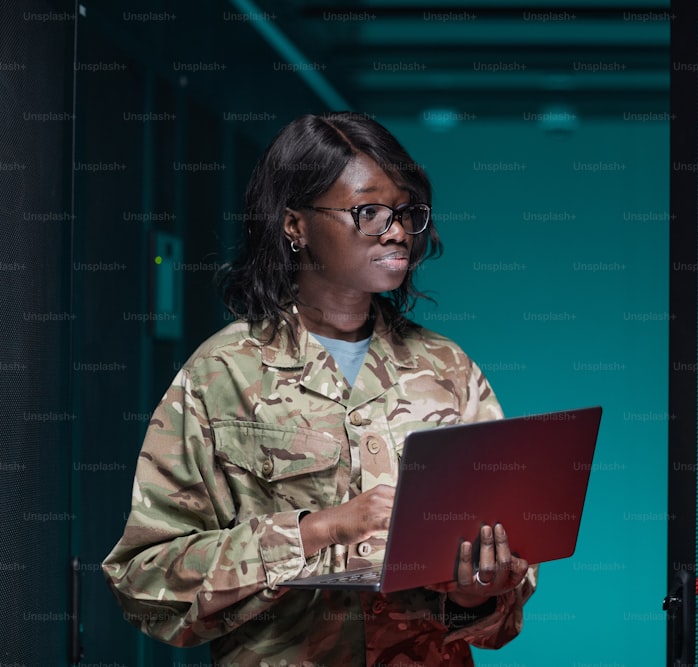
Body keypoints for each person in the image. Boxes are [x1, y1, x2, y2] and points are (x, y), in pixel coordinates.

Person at [102, 112, 536, 666]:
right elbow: (145, 582)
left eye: (406, 213)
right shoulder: (222, 374)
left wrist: (478, 592)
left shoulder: (449, 371)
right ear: (295, 225)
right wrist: (316, 531)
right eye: (369, 212)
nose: (397, 231)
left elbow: (502, 601)